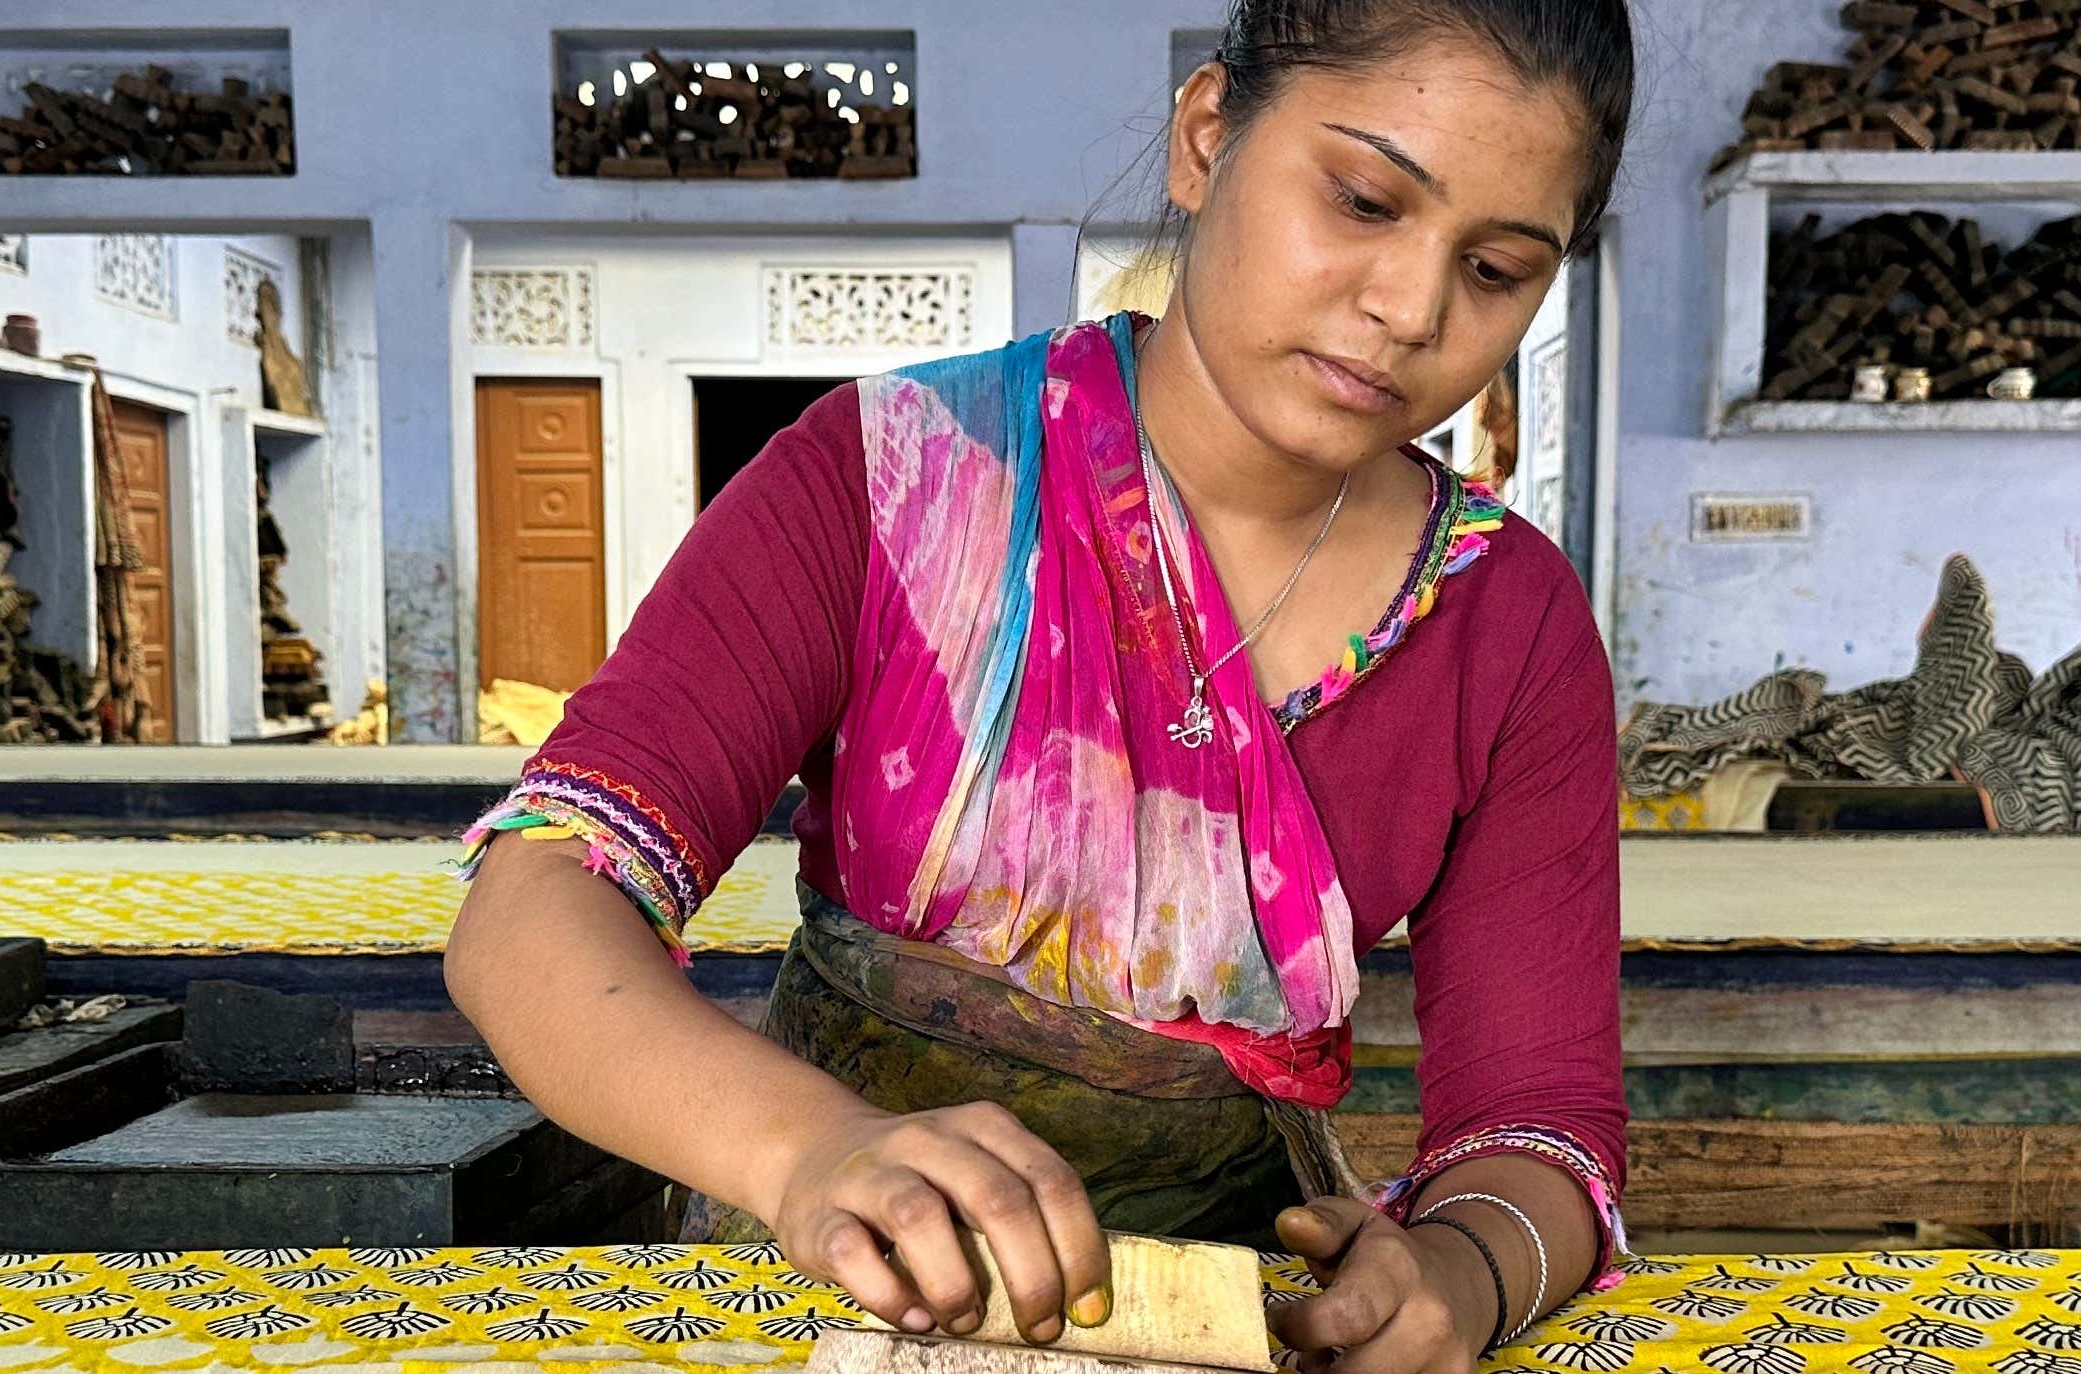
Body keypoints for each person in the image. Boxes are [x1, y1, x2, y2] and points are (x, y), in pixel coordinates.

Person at [448, 2, 1635, 1368]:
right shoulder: (891, 479)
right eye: (1364, 199)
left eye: (1495, 270)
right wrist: (815, 1149)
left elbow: (1538, 1129)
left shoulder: (1507, 622)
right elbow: (537, 905)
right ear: (1207, 138)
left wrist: (1460, 1274)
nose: (1411, 309)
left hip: (1236, 1324)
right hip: (840, 1298)